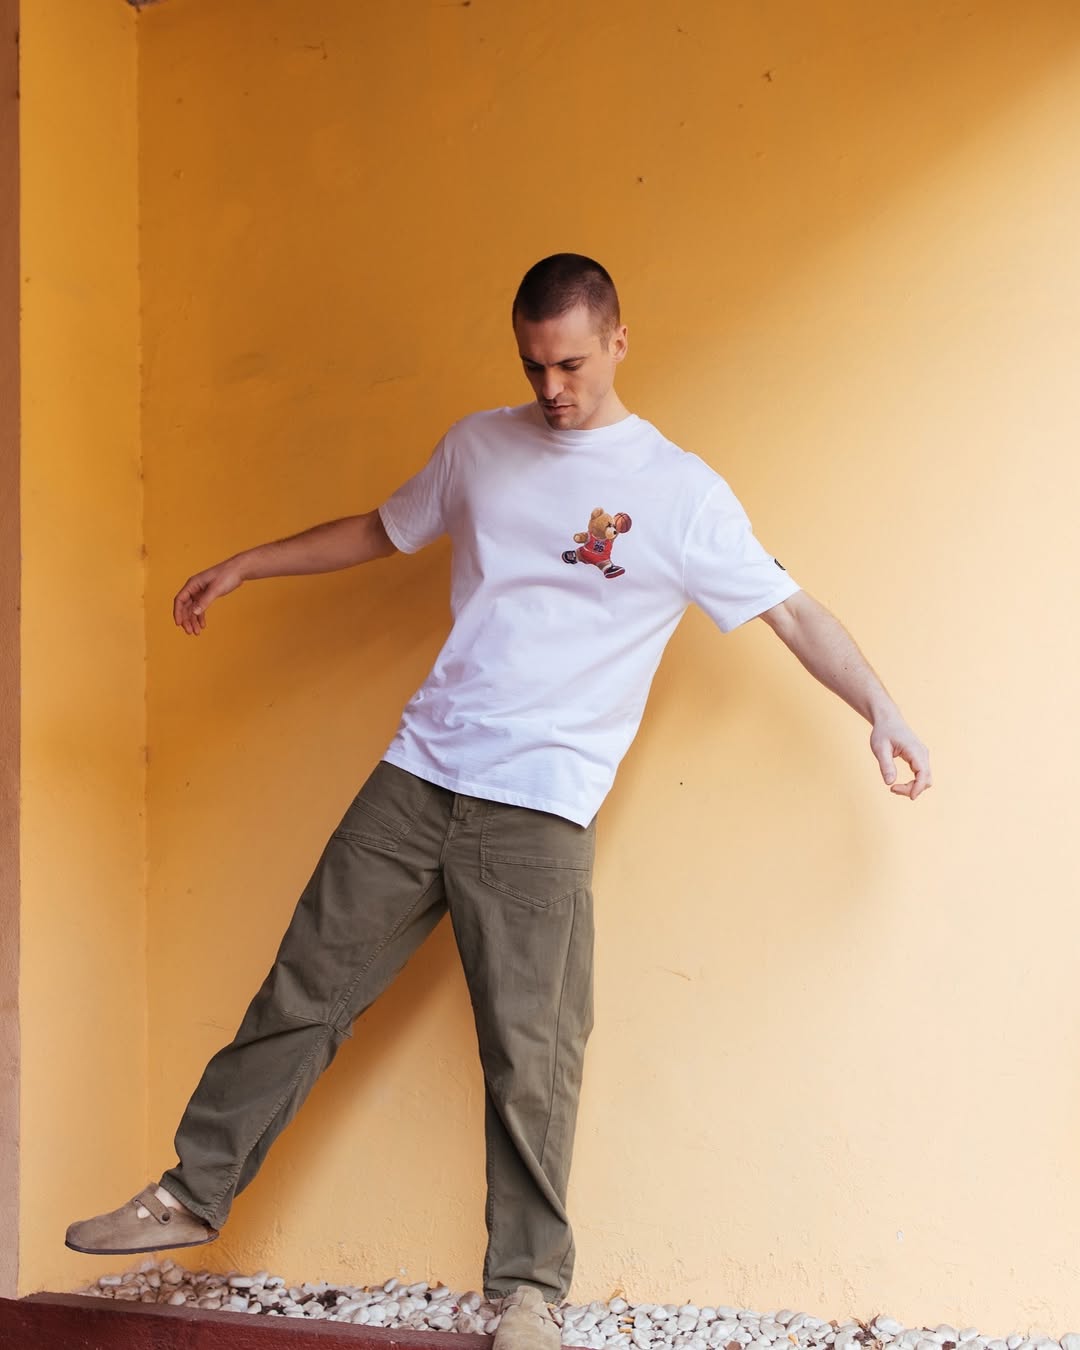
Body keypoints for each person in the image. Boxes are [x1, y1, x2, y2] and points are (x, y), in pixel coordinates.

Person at [66, 254, 931, 1347]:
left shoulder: (679, 492)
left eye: (572, 364)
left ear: (618, 342)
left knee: (532, 1058)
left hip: (541, 808)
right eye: (534, 366)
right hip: (419, 774)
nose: (553, 389)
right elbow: (381, 528)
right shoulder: (479, 446)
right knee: (302, 989)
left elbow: (791, 612)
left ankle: (529, 1293)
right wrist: (249, 564)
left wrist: (880, 709)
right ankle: (190, 1193)